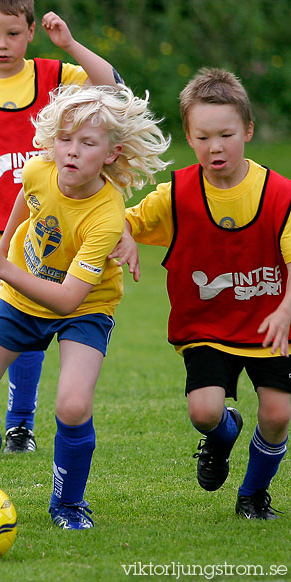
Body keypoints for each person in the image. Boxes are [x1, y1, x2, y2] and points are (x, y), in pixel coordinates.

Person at [0, 83, 171, 530]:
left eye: (87, 143)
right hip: (21, 297)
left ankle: (68, 505)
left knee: (73, 406)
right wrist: (2, 255)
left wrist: (1, 266)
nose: (71, 152)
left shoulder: (107, 215)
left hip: (85, 307)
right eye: (64, 139)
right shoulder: (39, 168)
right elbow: (26, 200)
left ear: (112, 153)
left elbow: (68, 298)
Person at [0, 0, 124, 454]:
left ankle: (20, 423)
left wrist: (71, 45)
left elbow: (115, 91)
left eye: (13, 34)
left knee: (32, 313)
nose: (2, 44)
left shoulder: (57, 77)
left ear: (32, 30)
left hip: (47, 226)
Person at [111, 68, 291, 520]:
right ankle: (223, 434)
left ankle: (253, 495)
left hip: (272, 321)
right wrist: (125, 234)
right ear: (189, 138)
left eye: (227, 134)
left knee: (277, 414)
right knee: (205, 412)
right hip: (208, 327)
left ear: (248, 130)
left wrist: (287, 310)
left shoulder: (280, 195)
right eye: (203, 136)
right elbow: (121, 220)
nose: (216, 147)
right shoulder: (176, 197)